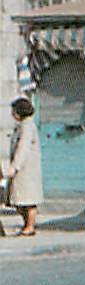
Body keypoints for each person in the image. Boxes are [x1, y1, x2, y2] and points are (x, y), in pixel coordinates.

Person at [4, 97, 43, 237]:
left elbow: (23, 148)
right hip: (22, 171)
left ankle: (30, 227)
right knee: (19, 201)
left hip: (26, 171)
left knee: (29, 201)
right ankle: (27, 225)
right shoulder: (21, 125)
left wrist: (14, 167)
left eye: (13, 110)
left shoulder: (27, 127)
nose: (12, 113)